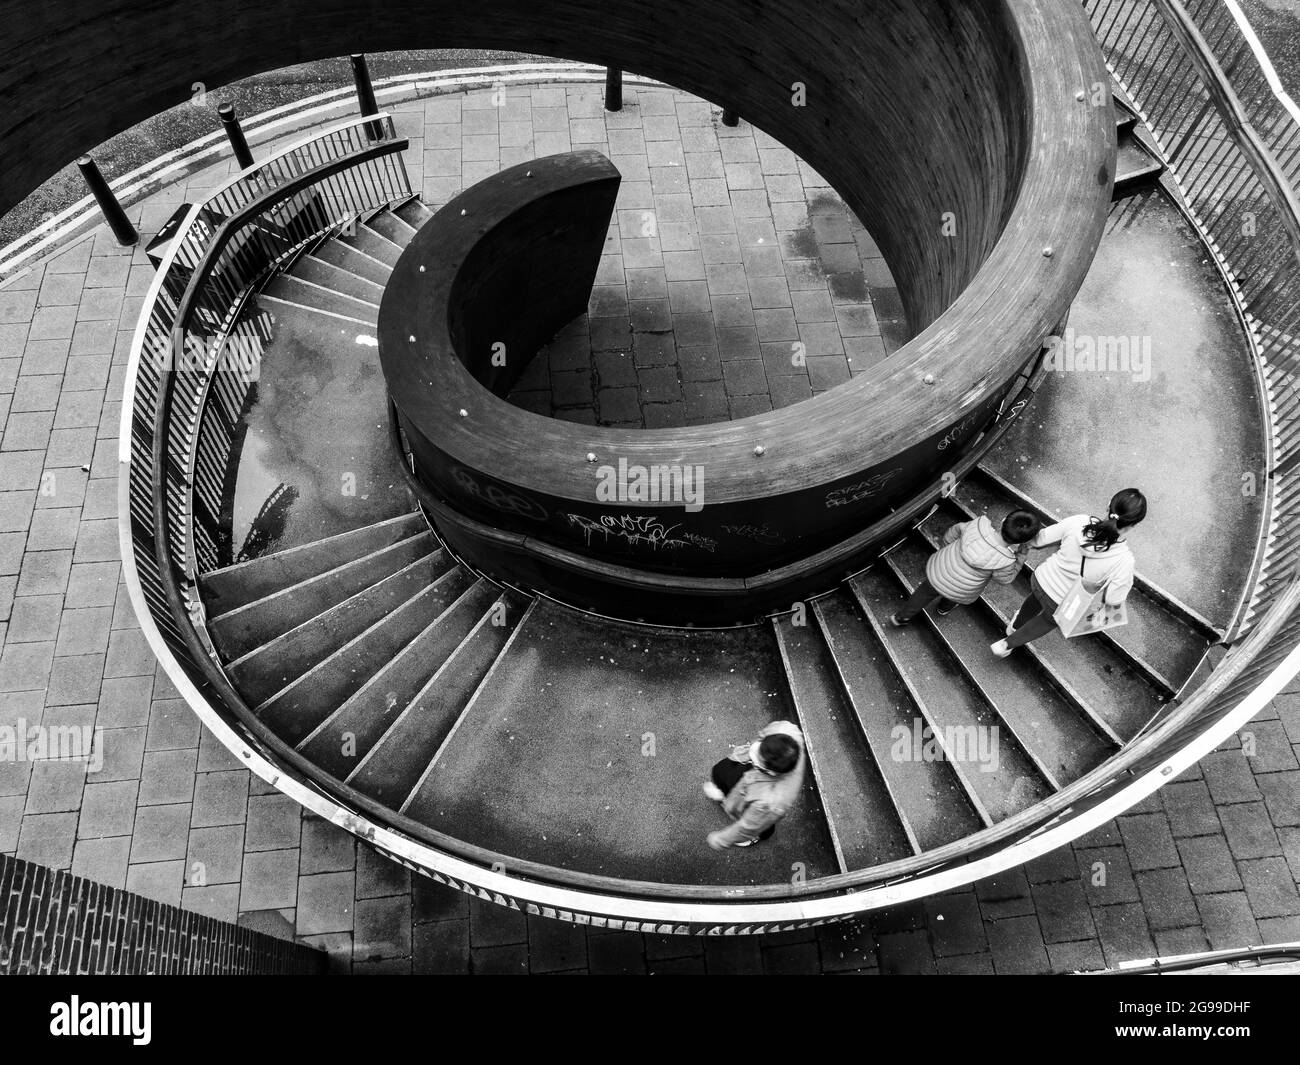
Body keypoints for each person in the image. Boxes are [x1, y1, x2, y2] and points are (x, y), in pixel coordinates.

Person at [990, 488, 1147, 657]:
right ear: (1134, 525)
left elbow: (1040, 539)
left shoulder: (1080, 521)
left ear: (1108, 505)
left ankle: (1015, 625)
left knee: (1036, 598)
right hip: (1062, 602)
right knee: (1046, 621)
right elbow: (1113, 599)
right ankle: (1006, 644)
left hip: (1041, 578)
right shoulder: (1124, 560)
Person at [890, 509, 1041, 626]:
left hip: (940, 570)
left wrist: (946, 549)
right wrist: (1022, 554)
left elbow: (953, 532)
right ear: (1022, 541)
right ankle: (943, 608)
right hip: (962, 588)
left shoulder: (977, 526)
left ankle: (901, 617)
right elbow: (1005, 579)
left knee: (922, 594)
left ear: (1003, 521)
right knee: (954, 595)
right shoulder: (1006, 561)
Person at [703, 720, 805, 850]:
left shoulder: (770, 803)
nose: (753, 750)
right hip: (760, 774)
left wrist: (721, 840)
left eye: (757, 760)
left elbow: (747, 827)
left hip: (764, 800)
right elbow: (763, 735)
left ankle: (757, 836)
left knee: (760, 822)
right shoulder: (787, 729)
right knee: (722, 772)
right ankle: (726, 796)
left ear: (771, 773)